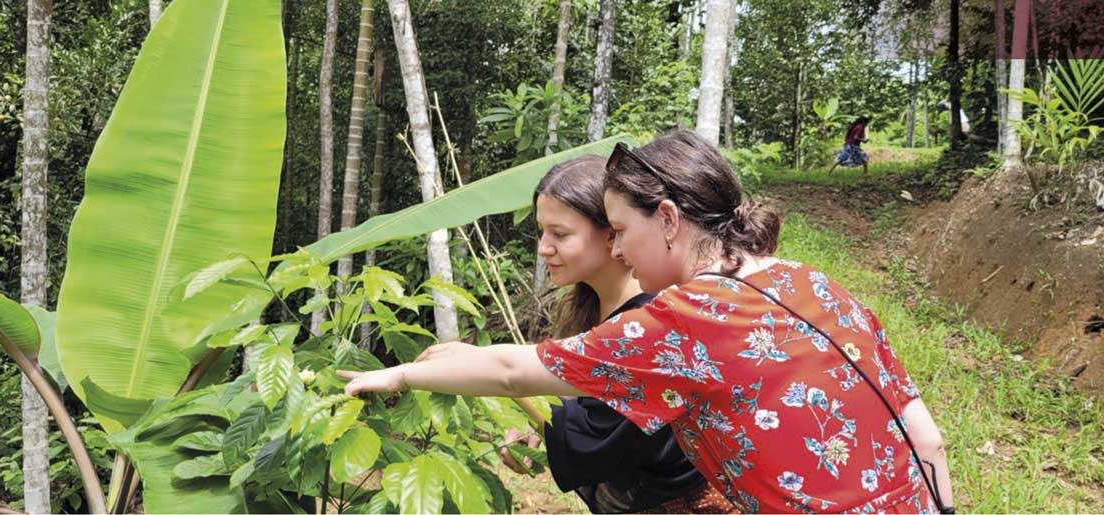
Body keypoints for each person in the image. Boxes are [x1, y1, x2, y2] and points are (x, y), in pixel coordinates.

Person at [340, 129, 954, 514]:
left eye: (624, 231)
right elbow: (925, 438)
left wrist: (401, 377)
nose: (621, 249)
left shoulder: (687, 320)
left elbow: (510, 372)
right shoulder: (809, 280)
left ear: (665, 219)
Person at [493, 155, 735, 513]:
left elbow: (609, 440)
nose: (543, 247)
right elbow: (591, 409)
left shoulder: (651, 322)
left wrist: (515, 387)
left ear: (614, 233)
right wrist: (541, 429)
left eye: (559, 234)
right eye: (541, 232)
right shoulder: (593, 309)